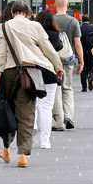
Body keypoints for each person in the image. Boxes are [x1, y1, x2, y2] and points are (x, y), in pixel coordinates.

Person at [0, 0, 63, 168]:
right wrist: (58, 67)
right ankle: (23, 155)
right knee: (27, 113)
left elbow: (0, 56)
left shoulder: (3, 27)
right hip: (29, 73)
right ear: (28, 12)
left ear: (13, 11)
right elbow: (48, 49)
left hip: (8, 73)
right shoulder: (35, 26)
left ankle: (6, 149)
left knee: (7, 110)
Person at [32, 10, 64, 150]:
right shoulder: (55, 35)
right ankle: (45, 140)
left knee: (32, 103)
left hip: (33, 71)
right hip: (50, 72)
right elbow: (59, 48)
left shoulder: (32, 34)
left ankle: (31, 130)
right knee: (46, 107)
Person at [51, 0, 83, 131]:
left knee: (56, 89)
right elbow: (78, 44)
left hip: (53, 60)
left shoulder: (50, 20)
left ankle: (59, 122)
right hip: (69, 60)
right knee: (67, 88)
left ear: (54, 4)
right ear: (68, 4)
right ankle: (68, 116)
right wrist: (81, 62)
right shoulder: (74, 21)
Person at [79, 17, 93, 91]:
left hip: (82, 50)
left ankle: (84, 87)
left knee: (83, 68)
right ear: (90, 20)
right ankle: (91, 78)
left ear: (82, 20)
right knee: (92, 66)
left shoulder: (80, 28)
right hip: (92, 49)